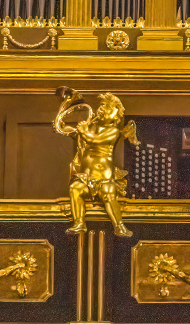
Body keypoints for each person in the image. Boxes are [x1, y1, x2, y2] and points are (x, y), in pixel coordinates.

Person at [55, 89, 139, 236]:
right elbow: (78, 135)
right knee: (75, 189)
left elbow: (95, 140)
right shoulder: (89, 128)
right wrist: (62, 126)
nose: (103, 110)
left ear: (116, 116)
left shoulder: (113, 131)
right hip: (87, 178)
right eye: (102, 106)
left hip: (104, 179)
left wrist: (83, 131)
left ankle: (119, 225)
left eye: (108, 108)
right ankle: (79, 223)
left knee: (108, 193)